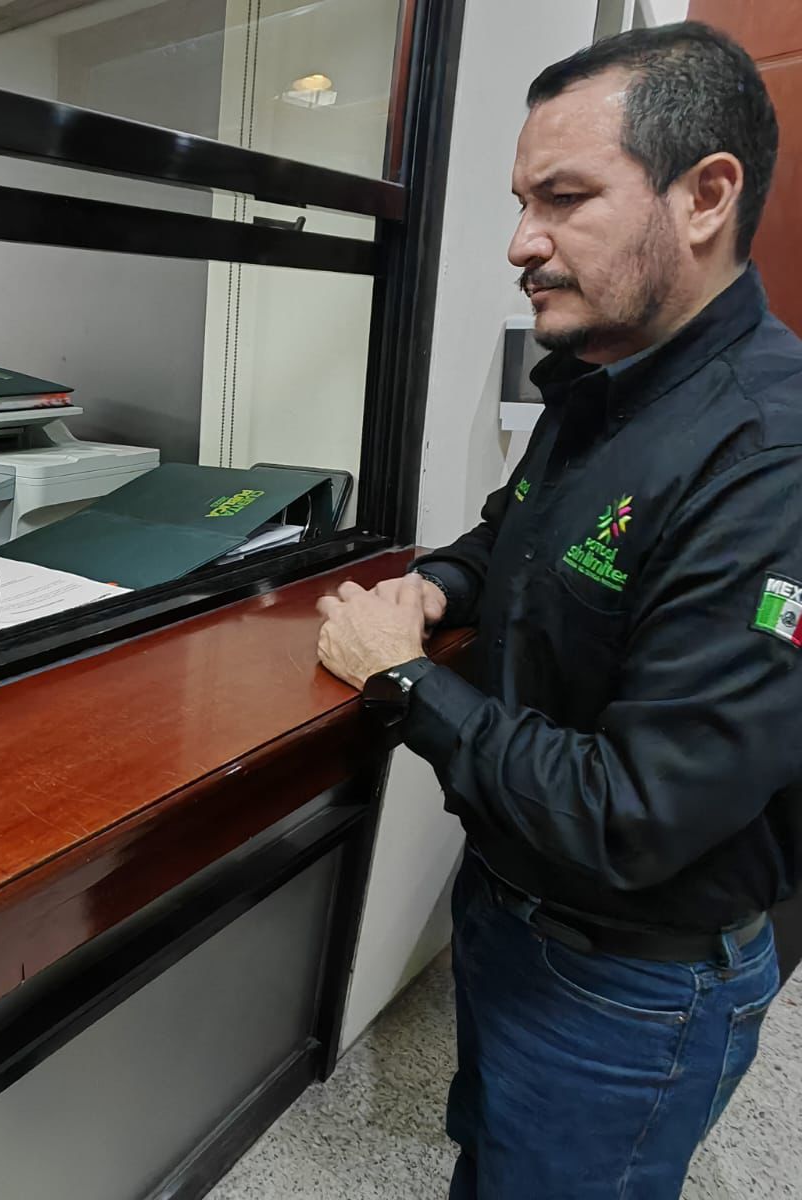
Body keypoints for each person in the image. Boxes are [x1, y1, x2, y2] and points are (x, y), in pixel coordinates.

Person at [315, 23, 795, 1199]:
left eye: (564, 199)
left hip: (627, 982)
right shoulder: (604, 379)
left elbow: (633, 813)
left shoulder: (767, 464)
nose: (521, 242)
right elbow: (514, 536)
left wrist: (401, 679)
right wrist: (439, 585)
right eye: (521, 202)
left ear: (705, 196)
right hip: (512, 908)